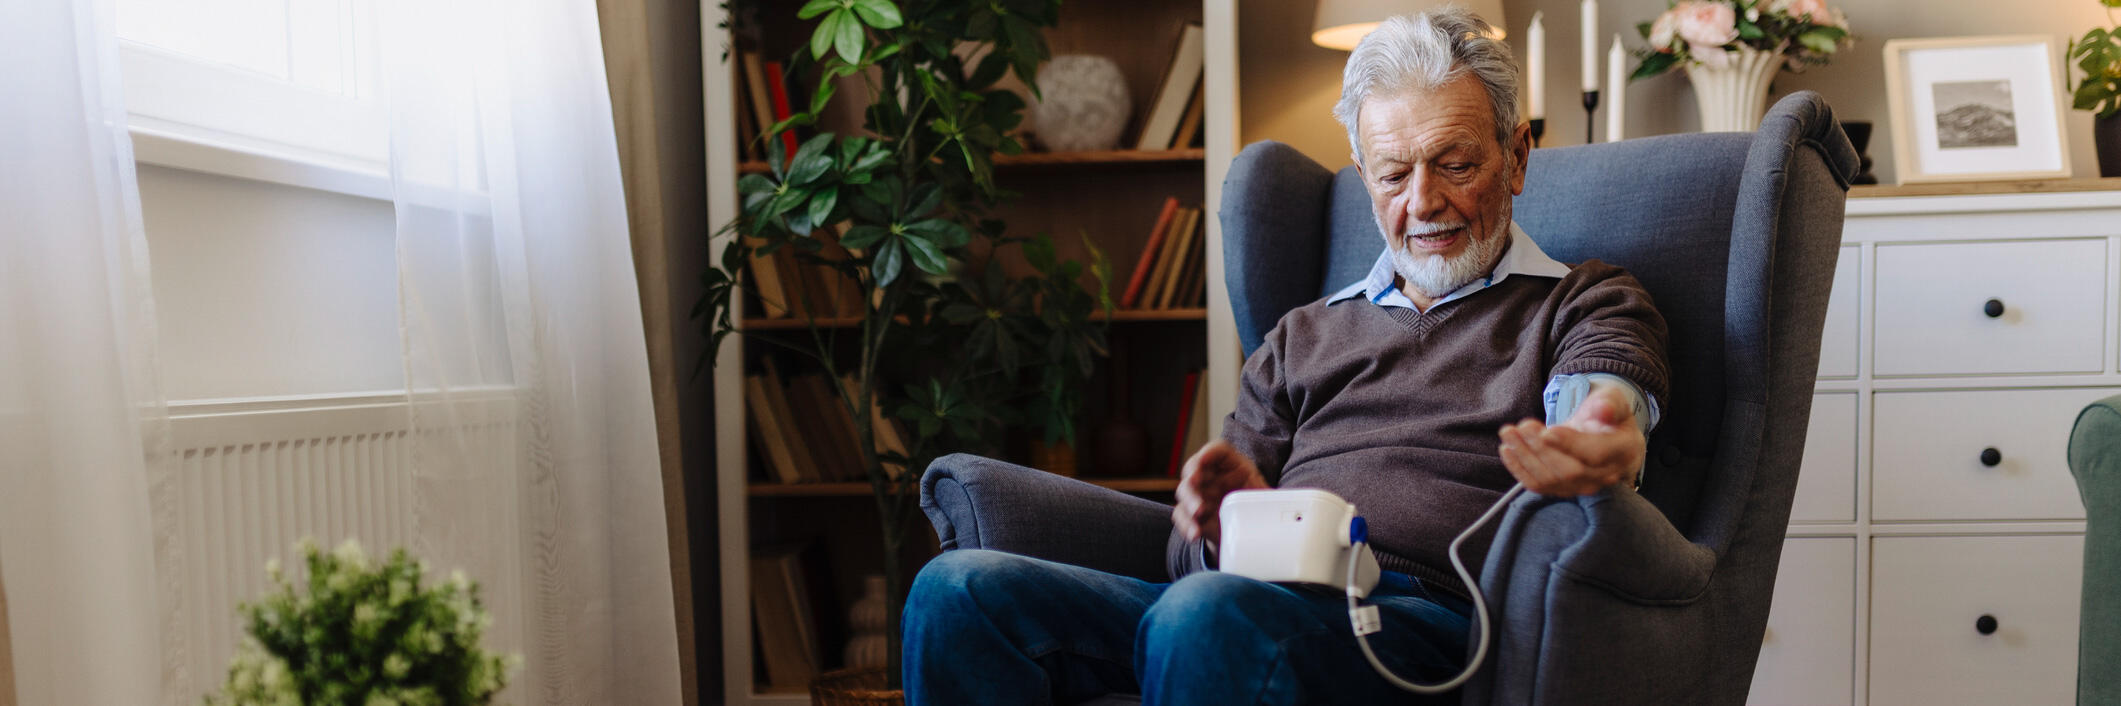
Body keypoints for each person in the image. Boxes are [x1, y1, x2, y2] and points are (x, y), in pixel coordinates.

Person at [902, 8, 1670, 705]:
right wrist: (1216, 523)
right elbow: (1186, 561)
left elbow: (1605, 407)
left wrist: (1599, 438)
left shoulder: (1582, 300)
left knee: (1203, 615)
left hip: (1418, 626)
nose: (1423, 202)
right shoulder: (1301, 334)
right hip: (1244, 599)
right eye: (1394, 174)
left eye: (1456, 164)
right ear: (1364, 176)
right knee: (959, 591)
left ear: (1517, 156)